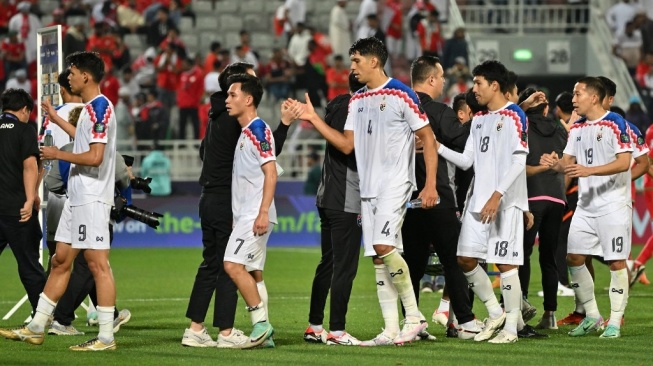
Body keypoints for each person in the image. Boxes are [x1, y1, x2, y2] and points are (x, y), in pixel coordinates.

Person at [289, 37, 437, 346]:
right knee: (379, 258)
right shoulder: (357, 100)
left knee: (383, 246)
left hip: (395, 183)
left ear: (373, 61)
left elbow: (428, 137)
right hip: (368, 189)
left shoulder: (402, 94)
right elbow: (345, 144)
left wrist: (430, 183)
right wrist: (314, 118)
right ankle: (391, 329)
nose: (352, 66)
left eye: (356, 60)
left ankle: (414, 316)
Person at [1, 51, 118, 351]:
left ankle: (105, 336)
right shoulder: (91, 109)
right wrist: (54, 118)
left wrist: (57, 154)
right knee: (60, 261)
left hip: (91, 198)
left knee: (97, 264)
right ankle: (37, 326)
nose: (69, 77)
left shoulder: (101, 108)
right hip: (76, 197)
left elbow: (95, 156)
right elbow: (82, 138)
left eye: (73, 71)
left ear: (86, 77)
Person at [183, 62, 295, 348]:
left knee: (223, 265)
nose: (230, 99)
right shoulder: (240, 126)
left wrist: (260, 211)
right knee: (234, 267)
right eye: (237, 88)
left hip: (222, 201)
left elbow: (266, 164)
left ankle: (207, 328)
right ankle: (239, 329)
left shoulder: (222, 120)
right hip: (231, 205)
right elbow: (270, 159)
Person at [436, 60, 529, 344]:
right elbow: (467, 161)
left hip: (503, 204)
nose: (473, 89)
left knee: (505, 265)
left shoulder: (515, 115)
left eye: (478, 83)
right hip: (478, 203)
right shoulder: (478, 120)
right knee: (464, 259)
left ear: (494, 85)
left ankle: (511, 329)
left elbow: (519, 160)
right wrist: (436, 146)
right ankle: (495, 312)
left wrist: (497, 194)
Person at [540, 77, 633, 339]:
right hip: (585, 206)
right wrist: (554, 164)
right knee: (574, 258)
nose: (573, 98)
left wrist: (588, 170)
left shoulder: (615, 123)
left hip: (613, 205)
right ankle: (592, 315)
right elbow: (568, 163)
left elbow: (624, 162)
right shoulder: (577, 127)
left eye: (577, 93)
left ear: (593, 97)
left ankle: (614, 321)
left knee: (616, 261)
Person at [402, 55, 480, 340]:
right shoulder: (438, 111)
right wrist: (481, 118)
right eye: (441, 76)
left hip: (406, 198)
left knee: (411, 263)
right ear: (432, 79)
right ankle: (464, 322)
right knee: (453, 260)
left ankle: (412, 321)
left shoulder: (400, 108)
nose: (444, 81)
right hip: (438, 197)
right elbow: (462, 143)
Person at [303, 72, 365, 346]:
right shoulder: (355, 110)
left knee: (328, 263)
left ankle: (315, 325)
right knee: (345, 266)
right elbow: (348, 147)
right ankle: (337, 330)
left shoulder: (338, 103)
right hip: (346, 199)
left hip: (326, 196)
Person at [222, 73, 276, 349]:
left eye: (232, 95)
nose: (227, 99)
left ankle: (261, 324)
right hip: (246, 214)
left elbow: (271, 173)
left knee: (232, 265)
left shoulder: (258, 130)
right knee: (253, 271)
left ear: (249, 99)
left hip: (256, 213)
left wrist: (263, 212)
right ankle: (266, 334)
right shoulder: (245, 133)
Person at [516, 87, 568, 330]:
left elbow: (512, 115)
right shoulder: (559, 127)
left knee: (522, 254)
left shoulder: (522, 124)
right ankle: (550, 315)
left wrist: (523, 105)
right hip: (557, 198)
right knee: (549, 257)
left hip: (531, 197)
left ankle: (522, 306)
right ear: (547, 108)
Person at [0, 88, 46, 318]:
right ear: (25, 109)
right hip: (18, 210)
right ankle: (43, 316)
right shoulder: (25, 130)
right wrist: (30, 199)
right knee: (30, 265)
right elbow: (30, 166)